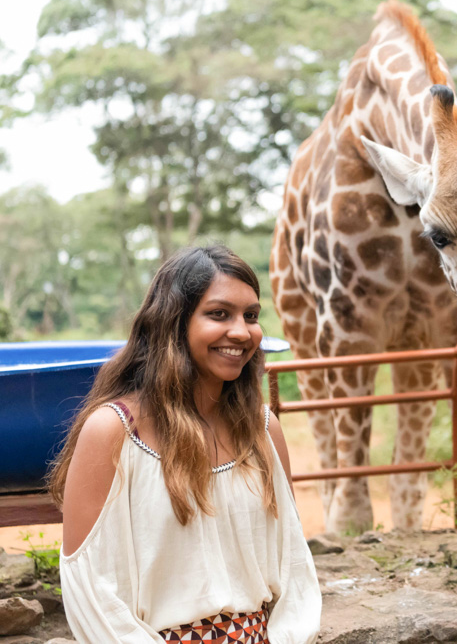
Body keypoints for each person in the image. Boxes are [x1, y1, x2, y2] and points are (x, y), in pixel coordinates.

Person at [49, 245, 321, 643]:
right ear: (174, 323)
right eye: (218, 314)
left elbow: (294, 565)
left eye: (251, 316)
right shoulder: (113, 432)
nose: (242, 332)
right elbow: (92, 589)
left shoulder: (263, 431)